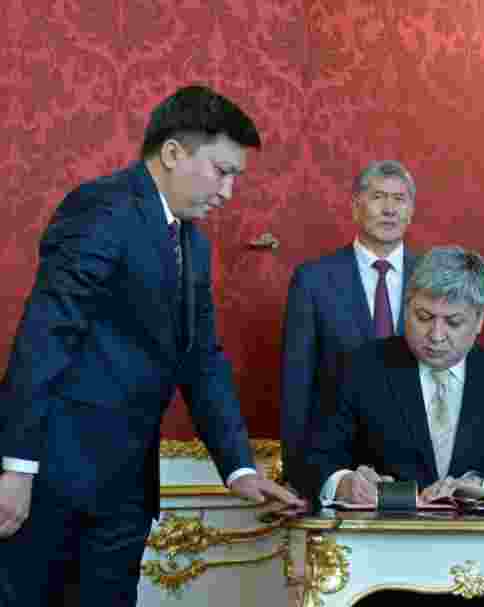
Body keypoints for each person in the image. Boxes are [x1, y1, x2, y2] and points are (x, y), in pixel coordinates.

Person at [0, 85, 305, 606]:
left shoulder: (193, 243)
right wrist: (17, 468)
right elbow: (47, 335)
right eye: (222, 171)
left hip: (125, 492)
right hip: (52, 479)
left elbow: (202, 360)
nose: (228, 192)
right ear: (172, 153)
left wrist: (239, 468)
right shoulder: (102, 208)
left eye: (235, 177)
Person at [306, 246, 484, 506]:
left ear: (479, 320)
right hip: (386, 526)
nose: (436, 335)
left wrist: (483, 486)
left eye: (453, 322)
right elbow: (315, 459)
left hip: (481, 528)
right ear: (406, 308)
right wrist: (343, 483)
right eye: (424, 317)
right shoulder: (360, 368)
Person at [280, 160, 417, 489]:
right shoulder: (313, 279)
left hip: (418, 462)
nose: (389, 209)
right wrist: (298, 473)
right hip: (338, 462)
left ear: (411, 211)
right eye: (378, 197)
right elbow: (297, 383)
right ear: (356, 207)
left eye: (399, 199)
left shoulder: (430, 276)